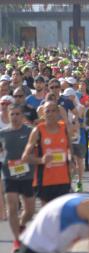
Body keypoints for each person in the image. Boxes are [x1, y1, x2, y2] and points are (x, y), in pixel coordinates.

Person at [21, 101, 72, 205]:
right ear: (43, 113)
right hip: (44, 181)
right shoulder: (38, 131)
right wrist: (41, 160)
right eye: (47, 111)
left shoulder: (64, 129)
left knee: (60, 213)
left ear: (58, 113)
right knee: (48, 214)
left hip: (63, 179)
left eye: (53, 111)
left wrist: (71, 160)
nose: (50, 113)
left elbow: (70, 148)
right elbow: (25, 157)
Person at [0, 104, 35, 253]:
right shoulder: (3, 133)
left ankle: (21, 226)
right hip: (9, 175)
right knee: (12, 207)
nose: (14, 117)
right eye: (12, 114)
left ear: (22, 116)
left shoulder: (30, 132)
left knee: (30, 211)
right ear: (8, 115)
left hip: (28, 175)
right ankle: (17, 240)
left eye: (17, 114)